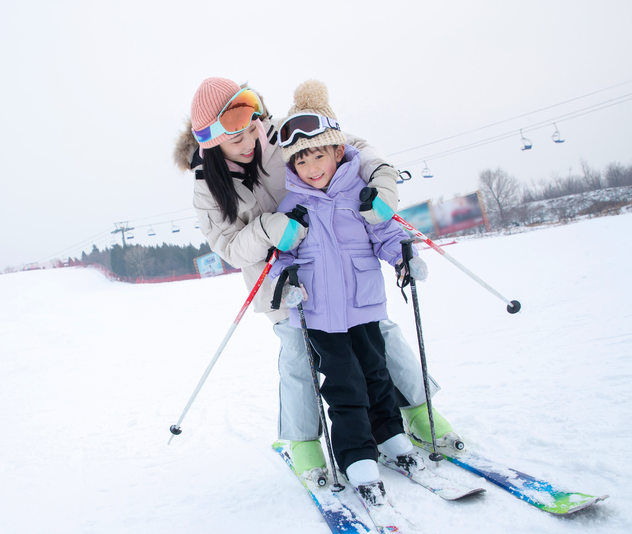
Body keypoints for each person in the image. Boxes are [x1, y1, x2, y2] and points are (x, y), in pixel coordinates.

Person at [172, 78, 460, 480]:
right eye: (236, 139)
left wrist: (382, 178)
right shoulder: (208, 187)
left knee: (380, 336)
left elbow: (353, 149)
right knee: (298, 354)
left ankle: (417, 410)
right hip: (283, 281)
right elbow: (230, 247)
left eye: (252, 127)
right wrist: (270, 228)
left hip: (339, 266)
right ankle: (304, 440)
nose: (250, 141)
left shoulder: (286, 132)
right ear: (212, 142)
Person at [270, 79, 431, 503]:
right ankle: (356, 455)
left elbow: (386, 234)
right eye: (301, 161)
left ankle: (390, 436)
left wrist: (403, 257)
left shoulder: (360, 196)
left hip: (364, 305)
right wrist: (287, 283)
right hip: (321, 315)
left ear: (338, 152)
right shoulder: (293, 208)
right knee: (344, 385)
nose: (311, 168)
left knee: (376, 374)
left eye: (317, 156)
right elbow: (281, 258)